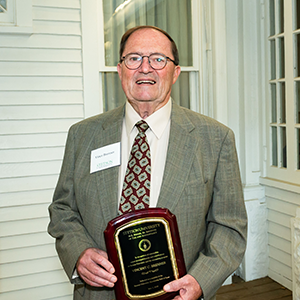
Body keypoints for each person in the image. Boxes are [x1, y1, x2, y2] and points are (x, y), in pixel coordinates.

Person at [48, 25, 247, 300]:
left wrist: (201, 281)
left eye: (158, 59)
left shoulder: (215, 139)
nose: (145, 68)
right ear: (120, 70)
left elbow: (229, 227)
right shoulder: (83, 136)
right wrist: (78, 252)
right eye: (134, 58)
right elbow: (62, 209)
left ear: (175, 72)